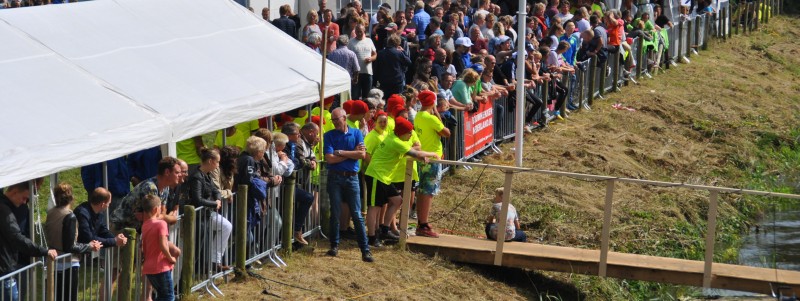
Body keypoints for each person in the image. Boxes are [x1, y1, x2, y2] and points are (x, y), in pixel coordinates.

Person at [365, 116, 439, 243]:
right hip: (376, 175)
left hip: (385, 178)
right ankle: (371, 237)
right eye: (409, 133)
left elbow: (411, 151)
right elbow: (416, 153)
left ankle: (384, 229)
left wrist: (420, 155)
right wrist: (433, 154)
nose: (411, 135)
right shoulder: (396, 142)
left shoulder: (396, 138)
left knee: (397, 201)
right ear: (402, 133)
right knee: (374, 207)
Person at [323, 108, 373, 262]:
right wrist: (351, 153)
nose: (336, 122)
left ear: (344, 118)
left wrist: (341, 153)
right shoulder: (329, 135)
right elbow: (330, 159)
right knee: (336, 212)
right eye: (333, 120)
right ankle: (334, 245)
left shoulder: (356, 133)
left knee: (357, 215)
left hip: (352, 178)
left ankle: (365, 250)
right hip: (335, 177)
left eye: (337, 119)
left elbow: (362, 155)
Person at [0, 180, 58, 301]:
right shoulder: (4, 210)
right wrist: (43, 251)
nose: (24, 202)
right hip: (5, 268)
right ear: (15, 192)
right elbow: (16, 236)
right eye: (24, 198)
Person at [45, 183, 103, 301]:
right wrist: (89, 247)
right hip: (68, 263)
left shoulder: (50, 213)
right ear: (72, 198)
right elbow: (70, 246)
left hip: (53, 261)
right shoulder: (70, 216)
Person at [188, 148, 233, 271]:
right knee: (197, 248)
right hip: (198, 217)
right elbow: (197, 199)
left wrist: (217, 199)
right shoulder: (196, 177)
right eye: (217, 162)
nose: (218, 165)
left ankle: (215, 261)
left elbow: (215, 190)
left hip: (207, 214)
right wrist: (214, 203)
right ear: (210, 161)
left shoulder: (206, 175)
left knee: (226, 226)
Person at [414, 90, 450, 237]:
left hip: (422, 157)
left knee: (422, 190)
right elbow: (446, 132)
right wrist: (436, 113)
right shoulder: (431, 118)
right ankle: (423, 224)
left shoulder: (418, 115)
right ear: (432, 103)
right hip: (432, 158)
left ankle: (422, 222)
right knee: (428, 192)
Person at [112, 157, 182, 232]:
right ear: (167, 172)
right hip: (121, 228)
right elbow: (151, 217)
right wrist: (170, 218)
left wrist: (161, 216)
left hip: (134, 230)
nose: (180, 175)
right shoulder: (150, 187)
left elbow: (160, 214)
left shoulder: (165, 188)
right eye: (177, 173)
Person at [282, 122, 319, 245]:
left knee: (305, 199)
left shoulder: (294, 144)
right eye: (296, 134)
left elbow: (297, 162)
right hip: (283, 185)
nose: (299, 136)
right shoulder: (285, 146)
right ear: (288, 135)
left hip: (295, 183)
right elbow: (299, 163)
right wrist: (306, 163)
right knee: (307, 198)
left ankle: (296, 232)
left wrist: (311, 161)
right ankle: (296, 231)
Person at [141, 195, 180, 301]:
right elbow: (163, 245)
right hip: (161, 267)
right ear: (155, 209)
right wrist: (170, 258)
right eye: (160, 206)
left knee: (162, 296)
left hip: (148, 268)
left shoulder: (145, 225)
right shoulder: (161, 224)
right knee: (168, 297)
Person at [347, 23, 377, 100]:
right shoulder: (351, 42)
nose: (359, 33)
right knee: (355, 96)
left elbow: (375, 54)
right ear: (355, 32)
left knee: (367, 97)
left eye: (361, 31)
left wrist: (371, 58)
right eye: (357, 31)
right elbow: (348, 56)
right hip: (356, 73)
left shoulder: (369, 41)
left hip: (367, 72)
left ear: (364, 31)